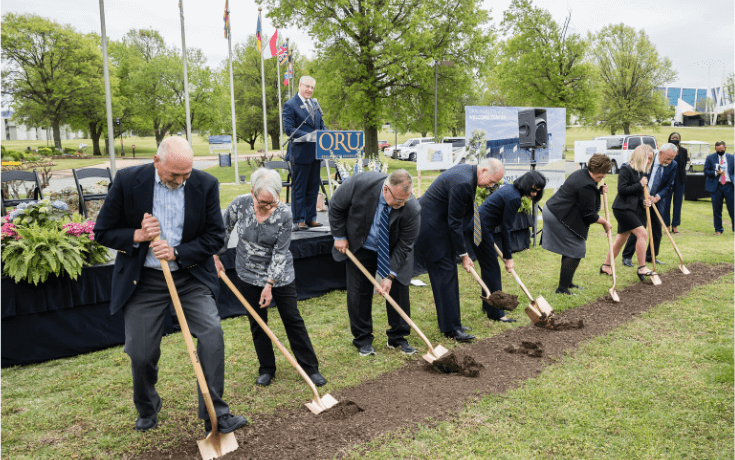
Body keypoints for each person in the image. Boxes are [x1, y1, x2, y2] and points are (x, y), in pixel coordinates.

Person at [94, 137, 247, 435]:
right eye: (173, 174)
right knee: (141, 353)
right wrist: (137, 235)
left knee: (212, 337)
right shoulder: (128, 181)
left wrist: (178, 252)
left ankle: (215, 413)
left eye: (185, 174)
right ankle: (148, 406)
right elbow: (102, 232)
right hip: (146, 281)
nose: (180, 181)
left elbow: (216, 237)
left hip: (190, 277)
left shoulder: (205, 184)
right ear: (156, 161)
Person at [213, 168, 326, 387]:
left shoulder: (284, 213)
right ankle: (267, 368)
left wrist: (269, 284)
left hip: (280, 275)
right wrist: (216, 256)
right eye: (263, 203)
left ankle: (309, 368)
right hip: (247, 273)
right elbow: (224, 231)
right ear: (252, 193)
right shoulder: (239, 205)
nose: (268, 207)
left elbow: (280, 252)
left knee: (292, 319)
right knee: (258, 322)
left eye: (272, 202)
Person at [329, 170, 421, 356]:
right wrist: (339, 236)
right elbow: (336, 206)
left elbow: (404, 245)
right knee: (358, 291)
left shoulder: (412, 207)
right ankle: (362, 339)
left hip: (393, 248)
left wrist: (389, 275)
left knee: (399, 288)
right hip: (360, 244)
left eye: (406, 199)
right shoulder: (360, 183)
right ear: (386, 189)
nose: (402, 204)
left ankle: (398, 337)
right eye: (398, 200)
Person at [414, 158, 505, 342]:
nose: (490, 185)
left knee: (448, 276)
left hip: (439, 228)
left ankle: (452, 323)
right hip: (431, 230)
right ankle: (452, 330)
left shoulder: (468, 174)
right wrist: (464, 255)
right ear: (484, 170)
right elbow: (454, 222)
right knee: (444, 278)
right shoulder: (463, 182)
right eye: (492, 180)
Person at [470, 171, 546, 321]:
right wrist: (508, 257)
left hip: (480, 228)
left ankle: (488, 307)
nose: (535, 193)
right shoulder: (514, 198)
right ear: (526, 184)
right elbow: (506, 229)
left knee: (488, 269)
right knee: (492, 270)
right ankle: (497, 315)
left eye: (538, 190)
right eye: (533, 189)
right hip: (480, 230)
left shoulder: (510, 190)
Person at [541, 153, 613, 295]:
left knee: (571, 249)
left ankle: (567, 283)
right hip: (558, 215)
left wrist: (597, 191)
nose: (604, 175)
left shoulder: (583, 174)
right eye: (603, 173)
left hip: (556, 210)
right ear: (599, 171)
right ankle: (562, 289)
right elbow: (589, 214)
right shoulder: (586, 185)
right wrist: (604, 222)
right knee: (575, 249)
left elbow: (583, 198)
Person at [601, 145, 658, 281]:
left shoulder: (640, 172)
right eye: (648, 158)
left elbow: (638, 195)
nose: (650, 162)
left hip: (631, 208)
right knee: (642, 233)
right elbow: (622, 190)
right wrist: (640, 184)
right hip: (622, 208)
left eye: (651, 159)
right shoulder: (626, 168)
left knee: (621, 239)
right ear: (641, 156)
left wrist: (644, 203)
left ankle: (606, 266)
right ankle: (642, 267)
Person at [621, 144, 678, 267]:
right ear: (661, 153)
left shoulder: (673, 165)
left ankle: (651, 256)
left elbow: (669, 185)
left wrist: (657, 197)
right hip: (641, 199)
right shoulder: (647, 159)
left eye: (672, 159)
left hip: (656, 201)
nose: (669, 161)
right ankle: (627, 257)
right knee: (638, 228)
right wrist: (642, 194)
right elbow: (631, 171)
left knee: (657, 230)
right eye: (667, 158)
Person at [283, 76, 327, 231]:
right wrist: (311, 136)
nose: (309, 90)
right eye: (307, 86)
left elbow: (321, 125)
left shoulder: (315, 104)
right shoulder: (290, 105)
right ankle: (299, 219)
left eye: (312, 87)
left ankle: (310, 218)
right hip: (299, 155)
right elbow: (289, 129)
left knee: (313, 188)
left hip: (316, 153)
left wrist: (326, 135)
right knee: (300, 189)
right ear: (300, 85)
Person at [704, 141, 734, 235]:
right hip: (716, 186)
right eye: (718, 150)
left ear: (725, 147)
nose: (720, 152)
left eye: (721, 150)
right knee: (717, 209)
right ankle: (718, 229)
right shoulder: (710, 158)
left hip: (729, 185)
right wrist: (716, 173)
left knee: (732, 208)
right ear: (715, 149)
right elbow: (706, 171)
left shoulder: (732, 158)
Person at [662, 132, 688, 233]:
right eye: (673, 137)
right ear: (669, 139)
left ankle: (675, 225)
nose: (675, 139)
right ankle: (667, 225)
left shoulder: (683, 151)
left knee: (677, 203)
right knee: (666, 203)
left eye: (677, 138)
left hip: (680, 180)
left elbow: (684, 163)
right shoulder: (664, 150)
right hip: (667, 180)